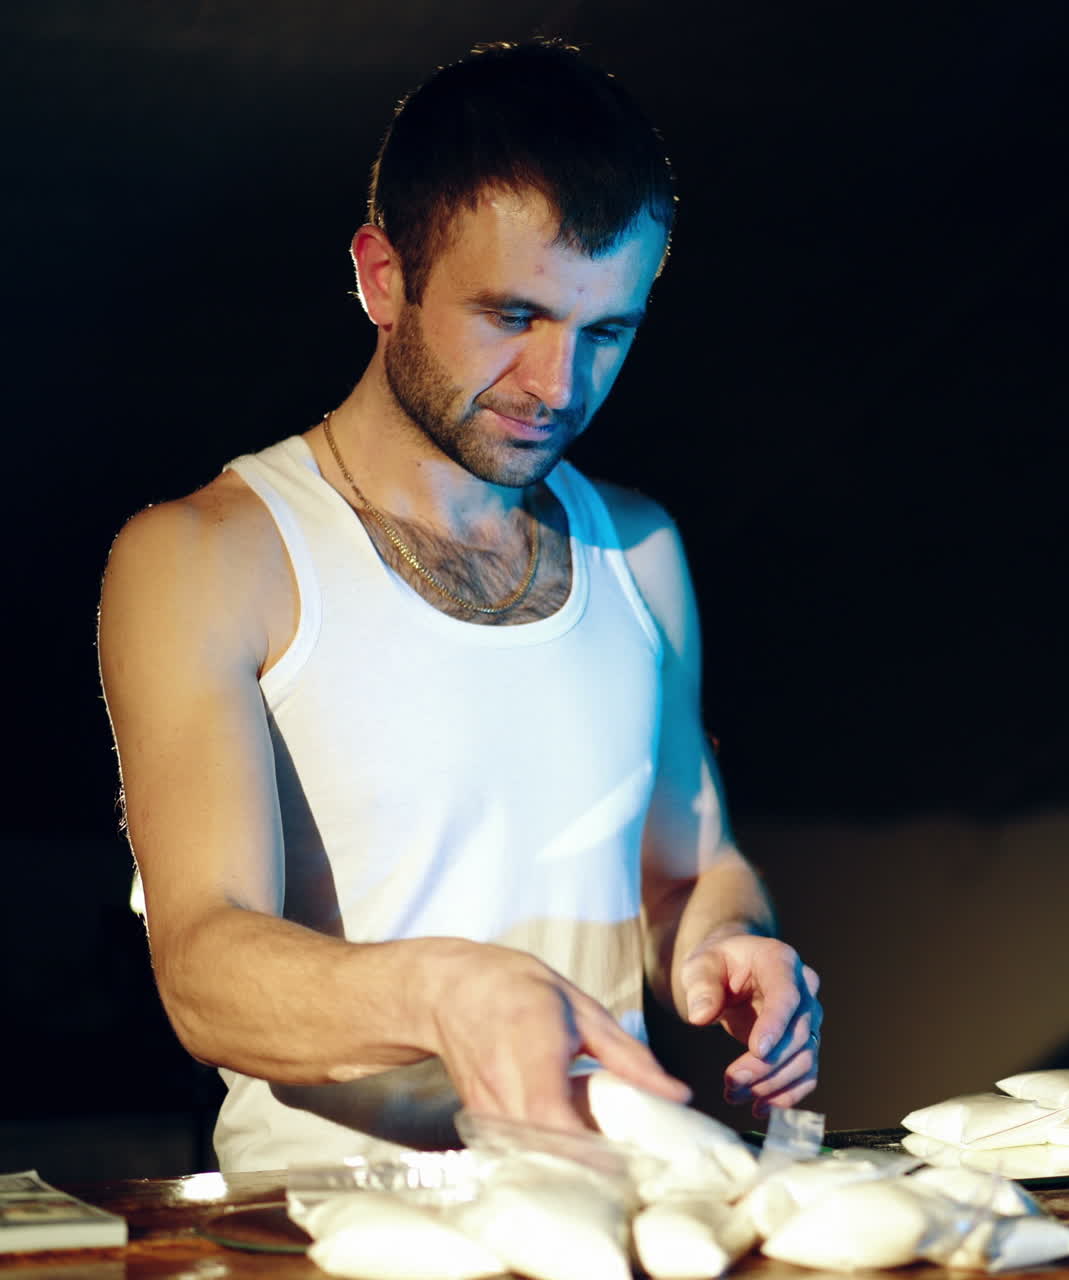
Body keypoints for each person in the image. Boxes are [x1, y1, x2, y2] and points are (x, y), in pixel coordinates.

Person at [98, 39, 821, 1172]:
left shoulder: (638, 548)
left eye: (606, 332)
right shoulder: (206, 555)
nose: (557, 385)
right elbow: (203, 969)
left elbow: (690, 866)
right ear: (382, 275)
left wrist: (729, 943)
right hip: (332, 1223)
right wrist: (447, 989)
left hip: (621, 1203)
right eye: (511, 316)